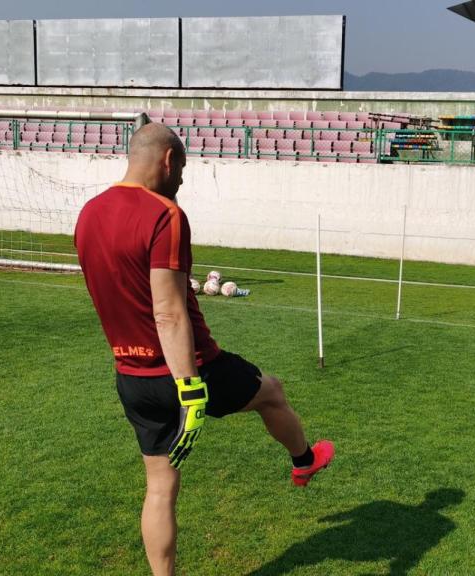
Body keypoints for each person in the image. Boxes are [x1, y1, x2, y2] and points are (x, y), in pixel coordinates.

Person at [74, 123, 335, 576]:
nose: (182, 181)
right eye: (184, 170)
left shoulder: (88, 213)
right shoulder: (165, 215)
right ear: (169, 161)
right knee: (271, 391)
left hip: (130, 377)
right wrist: (190, 388)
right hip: (191, 372)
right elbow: (169, 313)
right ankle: (304, 461)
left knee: (159, 487)